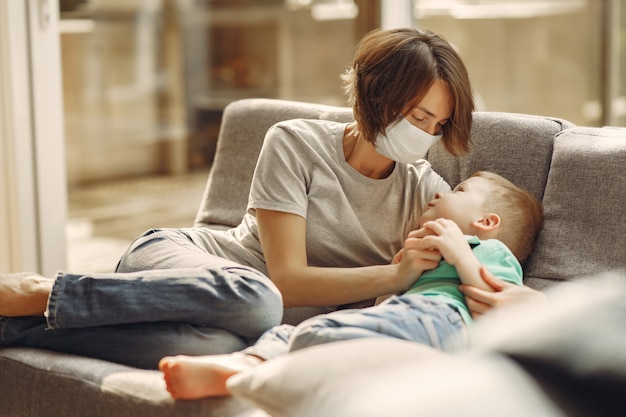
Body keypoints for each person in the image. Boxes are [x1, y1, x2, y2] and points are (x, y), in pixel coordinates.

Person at [0, 28, 534, 369]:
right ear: (378, 95)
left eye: (438, 125)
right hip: (187, 263)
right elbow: (284, 280)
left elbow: (479, 263)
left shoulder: (428, 194)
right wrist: (391, 277)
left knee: (222, 348)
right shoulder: (295, 141)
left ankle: (16, 329)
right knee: (258, 299)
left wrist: (528, 303)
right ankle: (43, 290)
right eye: (418, 117)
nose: (426, 135)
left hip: (250, 322)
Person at [158, 171, 545, 400]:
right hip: (404, 322)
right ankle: (240, 368)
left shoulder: (490, 250)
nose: (441, 192)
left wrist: (461, 253)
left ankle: (255, 373)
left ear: (487, 222)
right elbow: (381, 310)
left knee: (317, 339)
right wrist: (396, 278)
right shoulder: (423, 255)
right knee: (298, 333)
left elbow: (496, 300)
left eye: (459, 192)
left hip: (443, 323)